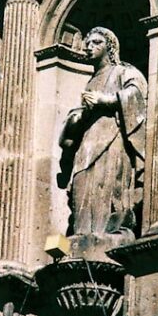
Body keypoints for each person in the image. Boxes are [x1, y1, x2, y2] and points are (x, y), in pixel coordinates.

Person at [58, 27, 147, 243]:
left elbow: (137, 94)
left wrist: (105, 100)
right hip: (88, 141)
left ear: (110, 47)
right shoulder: (91, 80)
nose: (89, 47)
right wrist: (78, 116)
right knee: (81, 183)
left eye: (96, 43)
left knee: (106, 182)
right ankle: (82, 234)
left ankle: (107, 233)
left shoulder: (123, 71)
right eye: (88, 43)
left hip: (113, 137)